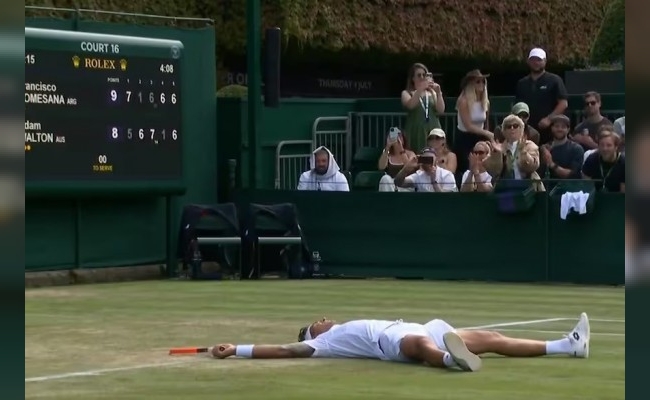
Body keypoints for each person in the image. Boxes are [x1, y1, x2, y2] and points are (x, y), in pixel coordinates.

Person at [210, 313, 591, 373]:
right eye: (317, 322)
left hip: (421, 327)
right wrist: (237, 349)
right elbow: (284, 350)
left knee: (490, 338)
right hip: (393, 343)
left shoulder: (342, 326)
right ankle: (449, 361)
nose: (323, 319)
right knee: (419, 347)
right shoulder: (325, 344)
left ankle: (566, 345)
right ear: (316, 333)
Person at [454, 69, 492, 180]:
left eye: (483, 81)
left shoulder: (485, 101)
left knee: (483, 167)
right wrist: (488, 133)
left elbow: (486, 122)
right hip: (465, 138)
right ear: (470, 84)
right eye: (478, 82)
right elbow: (468, 125)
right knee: (468, 168)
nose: (481, 84)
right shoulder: (463, 101)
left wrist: (488, 138)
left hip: (480, 138)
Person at [400, 63, 445, 153]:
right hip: (416, 130)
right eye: (419, 75)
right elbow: (410, 105)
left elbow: (441, 110)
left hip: (432, 127)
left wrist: (439, 93)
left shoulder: (432, 93)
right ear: (413, 78)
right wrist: (420, 89)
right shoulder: (407, 93)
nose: (422, 77)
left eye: (424, 75)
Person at [392, 147, 458, 192]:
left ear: (436, 159)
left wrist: (434, 181)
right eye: (425, 159)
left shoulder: (446, 175)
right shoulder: (419, 175)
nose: (428, 162)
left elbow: (447, 198)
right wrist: (406, 168)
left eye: (430, 159)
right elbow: (398, 183)